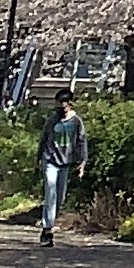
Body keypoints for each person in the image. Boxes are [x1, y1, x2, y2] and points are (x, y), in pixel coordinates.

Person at [37, 92, 88, 247]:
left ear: (70, 103)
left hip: (65, 162)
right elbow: (44, 139)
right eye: (59, 102)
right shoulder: (52, 121)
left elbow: (81, 141)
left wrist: (83, 162)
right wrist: (38, 158)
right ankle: (47, 230)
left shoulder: (76, 122)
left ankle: (49, 224)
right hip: (50, 160)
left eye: (65, 102)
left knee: (60, 197)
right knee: (50, 192)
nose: (62, 105)